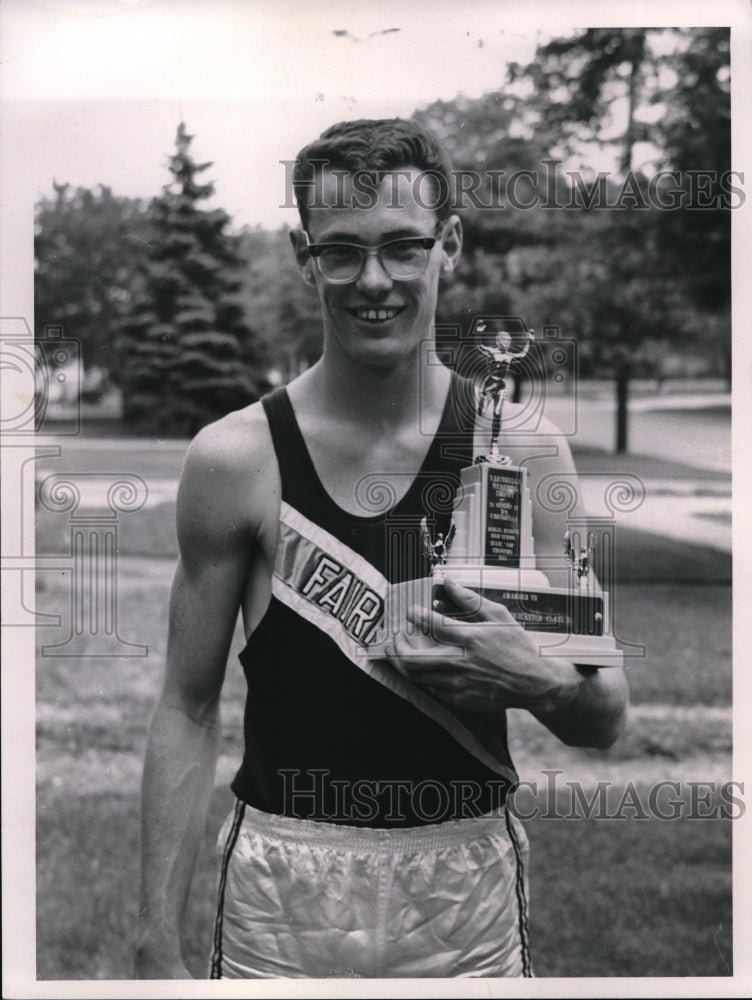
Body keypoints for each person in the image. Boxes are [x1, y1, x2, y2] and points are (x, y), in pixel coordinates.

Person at [136, 118, 628, 980]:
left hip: (463, 890)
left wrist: (537, 676)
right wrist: (153, 944)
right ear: (303, 254)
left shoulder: (525, 450)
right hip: (280, 889)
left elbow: (604, 716)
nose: (374, 281)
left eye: (403, 247)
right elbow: (185, 706)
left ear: (452, 244)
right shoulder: (234, 458)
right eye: (342, 252)